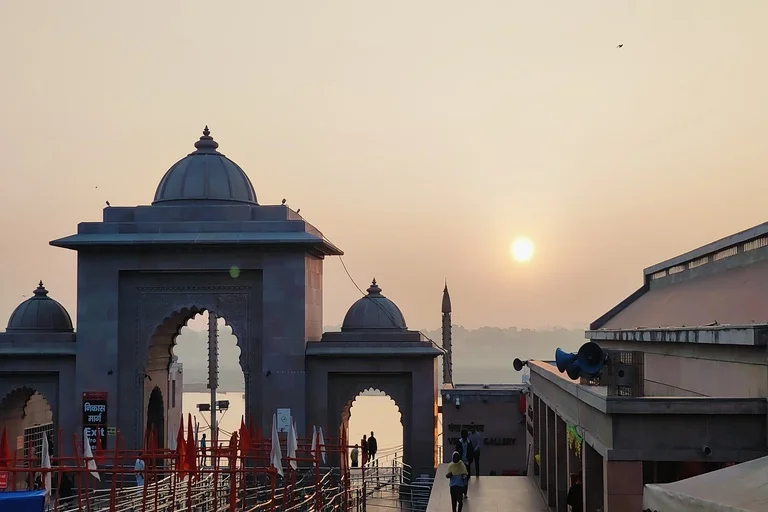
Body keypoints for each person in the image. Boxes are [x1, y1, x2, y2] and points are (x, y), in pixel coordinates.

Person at [455, 429, 474, 496]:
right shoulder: (459, 442)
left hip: (467, 463)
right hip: (460, 463)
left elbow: (471, 452)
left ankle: (465, 493)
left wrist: (470, 460)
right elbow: (456, 452)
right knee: (460, 478)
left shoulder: (469, 443)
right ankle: (460, 492)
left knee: (466, 478)